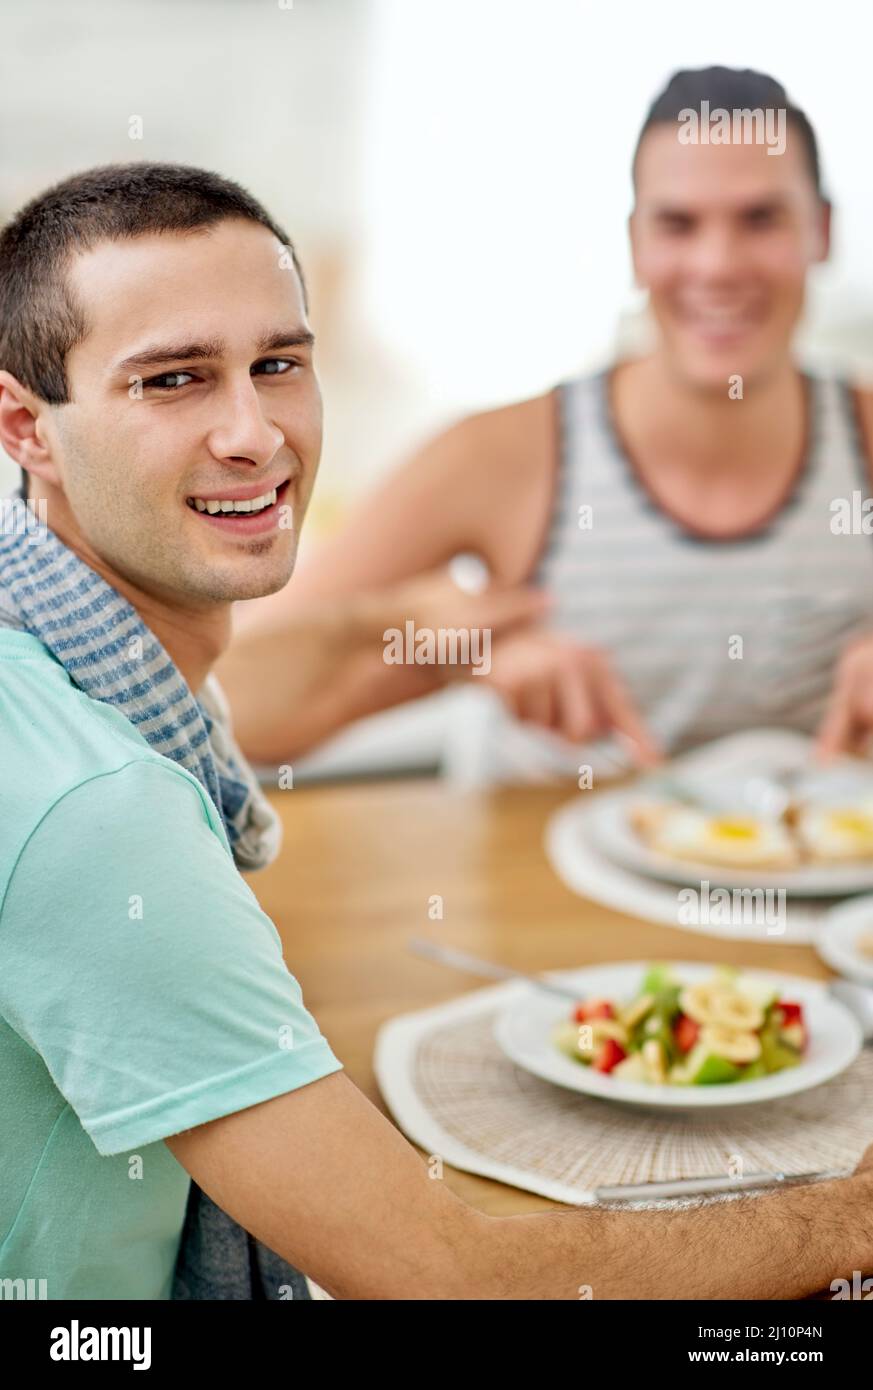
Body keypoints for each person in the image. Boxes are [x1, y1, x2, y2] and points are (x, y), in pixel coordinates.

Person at [1, 162, 871, 1301]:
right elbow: (447, 1280)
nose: (254, 433)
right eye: (173, 380)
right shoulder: (101, 815)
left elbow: (242, 697)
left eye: (278, 364)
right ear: (27, 425)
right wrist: (852, 1215)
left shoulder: (70, 662)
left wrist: (437, 641)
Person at [218, 66, 873, 778]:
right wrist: (450, 650)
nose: (716, 264)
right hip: (537, 884)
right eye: (677, 224)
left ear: (822, 231)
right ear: (633, 245)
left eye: (760, 219)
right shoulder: (499, 457)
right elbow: (223, 700)